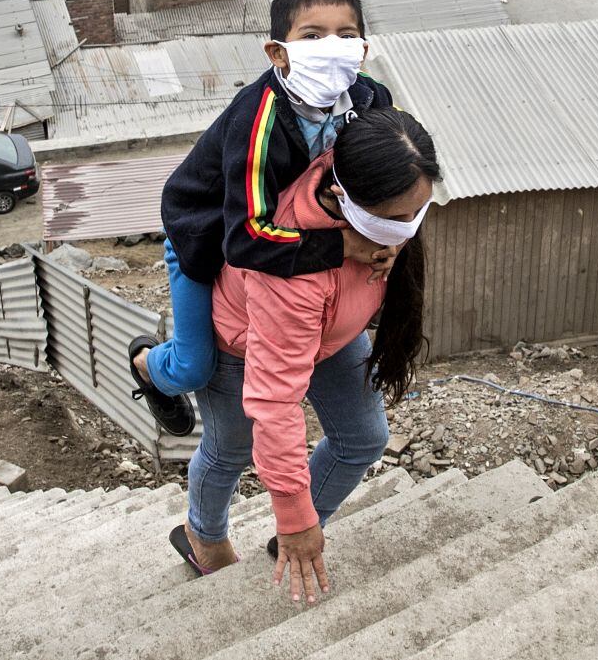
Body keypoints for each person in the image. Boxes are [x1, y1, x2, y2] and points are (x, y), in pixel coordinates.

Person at [169, 108, 439, 605]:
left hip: (329, 335)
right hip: (245, 344)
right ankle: (203, 537)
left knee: (362, 438)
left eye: (416, 213)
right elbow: (275, 403)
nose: (408, 229)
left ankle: (293, 535)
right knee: (230, 451)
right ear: (343, 197)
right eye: (395, 220)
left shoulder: (376, 212)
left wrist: (392, 241)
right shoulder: (291, 270)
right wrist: (294, 518)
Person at [128, 0, 398, 437]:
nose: (332, 47)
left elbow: (385, 185)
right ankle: (149, 366)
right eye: (313, 36)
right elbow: (245, 239)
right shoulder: (259, 122)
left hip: (289, 228)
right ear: (278, 52)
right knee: (194, 367)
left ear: (363, 49)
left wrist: (385, 240)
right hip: (207, 234)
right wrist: (343, 249)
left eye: (346, 36)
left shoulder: (370, 101)